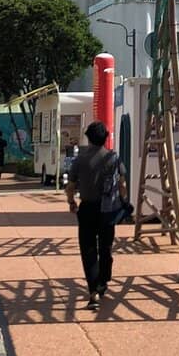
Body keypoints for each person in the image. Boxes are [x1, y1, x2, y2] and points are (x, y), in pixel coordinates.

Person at [65, 121, 127, 308]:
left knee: (88, 249)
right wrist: (123, 201)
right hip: (108, 209)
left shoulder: (80, 160)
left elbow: (70, 186)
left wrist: (71, 202)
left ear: (88, 138)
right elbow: (122, 183)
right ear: (105, 138)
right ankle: (103, 280)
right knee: (106, 247)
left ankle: (93, 291)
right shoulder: (113, 158)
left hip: (87, 208)